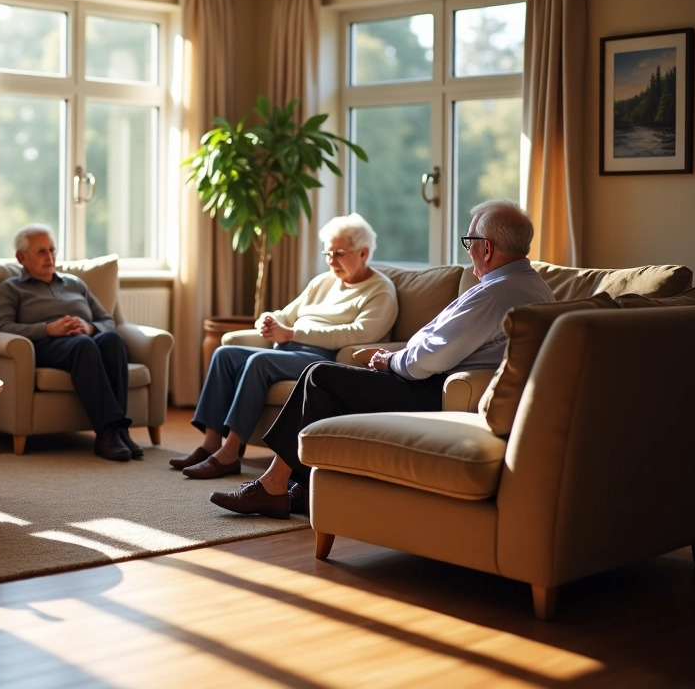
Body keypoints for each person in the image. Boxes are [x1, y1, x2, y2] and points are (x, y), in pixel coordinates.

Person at [210, 198, 555, 519]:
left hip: (435, 391)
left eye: (470, 243)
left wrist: (388, 360)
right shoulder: (537, 287)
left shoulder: (493, 295)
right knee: (330, 380)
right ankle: (301, 486)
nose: (469, 253)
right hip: (448, 383)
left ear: (487, 248)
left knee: (321, 377)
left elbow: (427, 361)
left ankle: (273, 487)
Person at [172, 213, 397, 480]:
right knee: (225, 354)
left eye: (338, 253)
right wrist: (269, 320)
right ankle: (210, 444)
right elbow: (287, 313)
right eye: (327, 253)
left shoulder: (380, 290)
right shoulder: (322, 282)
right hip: (288, 350)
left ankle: (229, 453)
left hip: (321, 360)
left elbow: (360, 333)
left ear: (363, 252)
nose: (331, 261)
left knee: (259, 362)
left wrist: (292, 333)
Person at [0, 223, 143, 462]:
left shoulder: (75, 283)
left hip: (86, 339)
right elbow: (1, 327)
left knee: (112, 339)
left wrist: (91, 327)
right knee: (84, 345)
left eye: (52, 250)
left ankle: (118, 431)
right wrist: (49, 329)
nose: (50, 257)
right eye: (41, 251)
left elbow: (107, 320)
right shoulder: (11, 288)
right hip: (46, 346)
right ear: (21, 257)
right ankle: (107, 433)